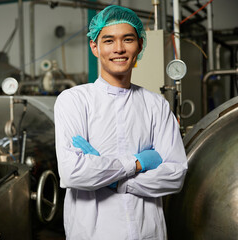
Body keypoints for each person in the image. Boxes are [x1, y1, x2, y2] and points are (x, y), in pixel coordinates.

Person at [54, 5, 188, 240]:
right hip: (93, 234)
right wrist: (136, 163)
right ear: (94, 47)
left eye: (127, 39)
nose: (118, 49)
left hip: (148, 233)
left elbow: (175, 174)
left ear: (140, 45)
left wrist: (114, 182)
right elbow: (73, 173)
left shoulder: (156, 105)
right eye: (108, 41)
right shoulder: (74, 100)